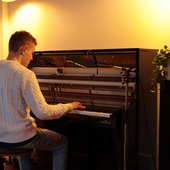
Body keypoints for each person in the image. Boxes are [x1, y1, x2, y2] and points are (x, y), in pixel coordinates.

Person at [0, 30, 85, 170]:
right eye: (32, 53)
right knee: (62, 142)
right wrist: (69, 105)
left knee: (22, 136)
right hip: (20, 138)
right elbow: (43, 112)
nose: (32, 58)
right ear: (24, 49)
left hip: (2, 138)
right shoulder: (25, 74)